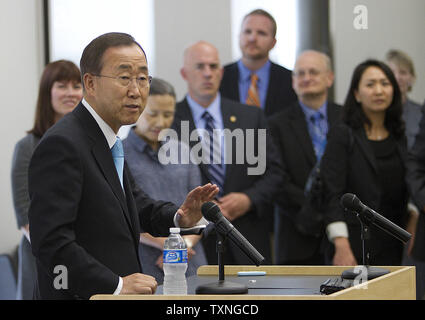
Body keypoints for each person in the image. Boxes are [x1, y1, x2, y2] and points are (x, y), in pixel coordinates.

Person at [27, 32, 218, 300]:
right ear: (90, 83)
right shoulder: (63, 144)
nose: (136, 90)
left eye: (142, 78)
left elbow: (133, 204)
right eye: (124, 78)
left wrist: (179, 217)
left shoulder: (106, 139)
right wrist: (114, 285)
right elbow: (51, 244)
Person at [172, 41, 284, 265]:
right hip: (195, 245)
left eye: (213, 67)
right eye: (200, 67)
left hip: (247, 238)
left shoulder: (250, 117)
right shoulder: (170, 120)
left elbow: (275, 173)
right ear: (184, 73)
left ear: (221, 73)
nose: (207, 74)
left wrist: (249, 199)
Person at [320, 59, 410, 267]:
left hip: (392, 241)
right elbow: (332, 193)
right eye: (370, 84)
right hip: (353, 241)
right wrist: (341, 245)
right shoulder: (343, 133)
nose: (379, 90)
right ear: (357, 94)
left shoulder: (398, 134)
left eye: (385, 83)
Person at [123, 77, 207, 284]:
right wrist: (169, 246)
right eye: (152, 114)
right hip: (143, 263)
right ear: (138, 109)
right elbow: (122, 214)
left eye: (168, 115)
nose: (160, 122)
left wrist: (184, 245)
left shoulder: (183, 151)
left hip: (191, 260)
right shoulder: (119, 154)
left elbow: (201, 208)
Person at [11, 60, 83, 299]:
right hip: (42, 256)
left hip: (88, 258)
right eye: (62, 86)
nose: (71, 93)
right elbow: (25, 214)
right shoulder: (27, 147)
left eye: (76, 85)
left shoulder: (91, 144)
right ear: (47, 93)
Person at [268, 50, 341, 265]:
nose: (306, 78)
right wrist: (313, 211)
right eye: (300, 73)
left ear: (329, 78)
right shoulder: (274, 124)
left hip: (344, 234)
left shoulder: (347, 119)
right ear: (293, 82)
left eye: (313, 72)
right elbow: (275, 177)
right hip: (295, 232)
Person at [219, 9, 297, 117]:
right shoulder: (219, 77)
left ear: (273, 43)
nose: (252, 38)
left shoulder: (291, 81)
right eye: (247, 31)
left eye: (261, 33)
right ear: (239, 37)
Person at [386, 49, 424, 149]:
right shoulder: (375, 112)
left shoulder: (421, 113)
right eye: (392, 72)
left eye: (403, 72)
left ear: (412, 78)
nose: (397, 77)